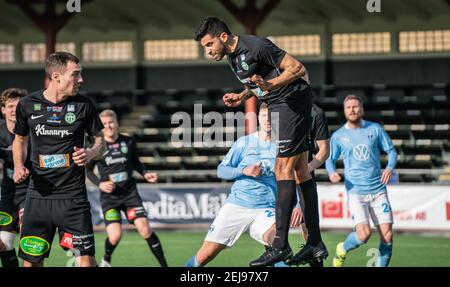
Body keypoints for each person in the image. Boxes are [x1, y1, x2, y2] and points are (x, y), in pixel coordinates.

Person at [194, 16, 326, 266]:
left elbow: (298, 69)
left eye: (209, 44)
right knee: (299, 172)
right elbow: (258, 85)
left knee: (282, 169)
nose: (208, 51)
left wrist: (270, 84)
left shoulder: (256, 46)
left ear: (223, 37)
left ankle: (280, 246)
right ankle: (314, 243)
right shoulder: (233, 57)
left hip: (292, 103)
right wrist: (243, 95)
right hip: (281, 104)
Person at [13, 52, 105, 267]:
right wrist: (18, 165)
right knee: (31, 261)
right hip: (38, 196)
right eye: (75, 74)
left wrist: (91, 152)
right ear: (56, 76)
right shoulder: (27, 104)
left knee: (85, 260)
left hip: (73, 197)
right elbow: (20, 139)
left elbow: (101, 142)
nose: (81, 80)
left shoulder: (84, 105)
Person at [185, 103, 286, 267]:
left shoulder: (282, 146)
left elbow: (291, 178)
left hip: (266, 208)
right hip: (237, 206)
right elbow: (221, 170)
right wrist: (244, 170)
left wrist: (295, 204)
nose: (268, 120)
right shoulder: (244, 142)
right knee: (205, 256)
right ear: (258, 118)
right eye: (264, 116)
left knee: (278, 245)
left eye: (272, 117)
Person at [86, 109, 168, 267]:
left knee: (145, 229)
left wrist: (145, 173)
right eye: (104, 124)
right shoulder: (97, 147)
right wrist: (100, 184)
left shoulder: (128, 141)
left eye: (111, 122)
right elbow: (87, 170)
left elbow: (136, 162)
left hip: (130, 195)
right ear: (101, 127)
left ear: (117, 123)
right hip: (109, 198)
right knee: (115, 236)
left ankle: (164, 265)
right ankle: (106, 259)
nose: (108, 126)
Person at [325, 95, 397, 267]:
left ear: (362, 109)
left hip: (378, 190)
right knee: (363, 235)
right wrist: (331, 172)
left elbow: (392, 151)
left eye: (355, 106)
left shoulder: (375, 129)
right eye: (348, 107)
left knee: (387, 236)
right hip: (356, 191)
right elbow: (329, 159)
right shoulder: (338, 136)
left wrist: (389, 168)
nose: (352, 110)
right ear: (344, 111)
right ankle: (342, 248)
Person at [287, 103, 330, 266]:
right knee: (271, 232)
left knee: (309, 233)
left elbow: (324, 149)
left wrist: (305, 170)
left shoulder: (316, 112)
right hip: (276, 175)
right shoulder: (277, 107)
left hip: (302, 177)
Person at [0, 88, 30, 267]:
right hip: (6, 194)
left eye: (18, 106)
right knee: (4, 245)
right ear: (2, 109)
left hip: (30, 192)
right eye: (10, 106)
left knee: (29, 237)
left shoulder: (33, 130)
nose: (14, 110)